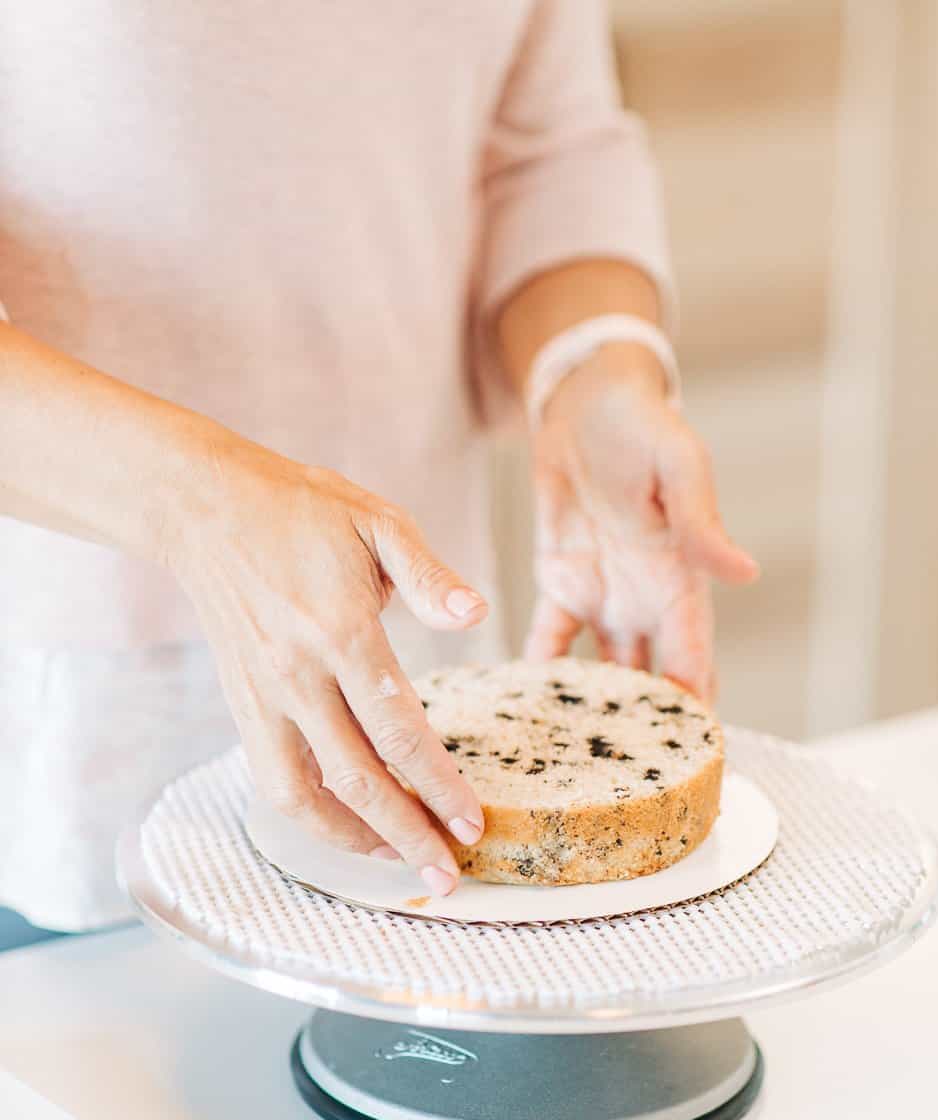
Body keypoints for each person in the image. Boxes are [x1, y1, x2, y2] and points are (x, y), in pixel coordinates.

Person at [0, 0, 757, 931]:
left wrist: (590, 371)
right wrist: (201, 512)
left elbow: (542, 150)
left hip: (417, 657)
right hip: (63, 703)